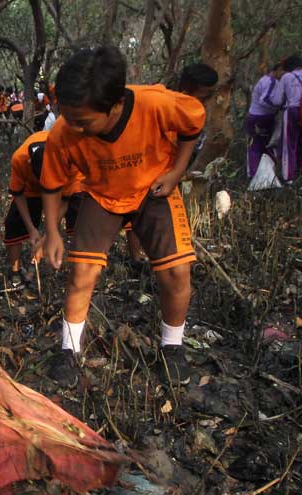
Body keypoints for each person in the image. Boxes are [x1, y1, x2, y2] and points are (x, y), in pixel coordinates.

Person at [40, 46, 206, 387]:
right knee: (81, 273)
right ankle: (68, 351)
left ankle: (172, 348)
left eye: (82, 122)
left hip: (153, 189)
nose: (72, 126)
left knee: (176, 271)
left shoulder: (155, 104)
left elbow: (193, 122)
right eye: (67, 116)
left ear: (115, 106)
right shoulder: (63, 132)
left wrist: (177, 171)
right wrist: (53, 232)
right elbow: (53, 183)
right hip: (101, 194)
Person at [2, 129, 80, 293]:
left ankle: (77, 272)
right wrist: (31, 230)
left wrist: (47, 236)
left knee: (79, 217)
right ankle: (15, 273)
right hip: (31, 190)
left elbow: (64, 200)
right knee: (13, 224)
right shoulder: (20, 159)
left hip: (64, 188)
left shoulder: (71, 163)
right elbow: (18, 194)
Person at [245, 62, 284, 178]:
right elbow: (265, 99)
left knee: (258, 146)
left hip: (258, 117)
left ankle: (259, 175)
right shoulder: (270, 81)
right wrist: (279, 106)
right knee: (262, 146)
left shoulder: (268, 81)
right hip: (261, 118)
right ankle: (257, 175)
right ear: (278, 69)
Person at [269, 55, 302, 182]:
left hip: (292, 111)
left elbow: (277, 100)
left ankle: (289, 178)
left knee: (289, 145)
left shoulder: (287, 77)